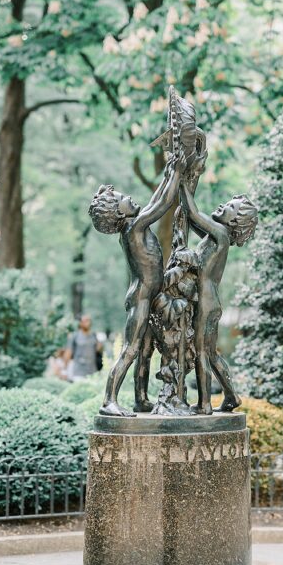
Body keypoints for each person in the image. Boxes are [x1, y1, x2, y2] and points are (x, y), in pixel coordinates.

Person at [89, 88, 196, 417]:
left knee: (147, 349)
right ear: (118, 214)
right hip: (142, 298)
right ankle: (110, 399)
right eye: (123, 199)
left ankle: (140, 398)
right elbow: (162, 204)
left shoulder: (133, 223)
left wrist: (170, 168)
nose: (130, 199)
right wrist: (176, 172)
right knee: (133, 348)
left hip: (149, 295)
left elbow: (154, 201)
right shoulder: (133, 228)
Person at [180, 180, 258, 414]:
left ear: (233, 221)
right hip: (209, 301)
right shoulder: (215, 236)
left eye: (229, 207)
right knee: (210, 353)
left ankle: (204, 404)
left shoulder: (221, 234)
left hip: (205, 301)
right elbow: (192, 219)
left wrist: (181, 181)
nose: (223, 205)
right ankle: (232, 396)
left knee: (201, 351)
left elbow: (193, 213)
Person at [64, 315, 104, 381]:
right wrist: (65, 370)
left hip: (92, 372)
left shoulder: (94, 336)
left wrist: (100, 347)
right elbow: (68, 352)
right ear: (80, 323)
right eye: (85, 321)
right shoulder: (75, 336)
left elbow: (98, 351)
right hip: (79, 372)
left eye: (89, 320)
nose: (88, 323)